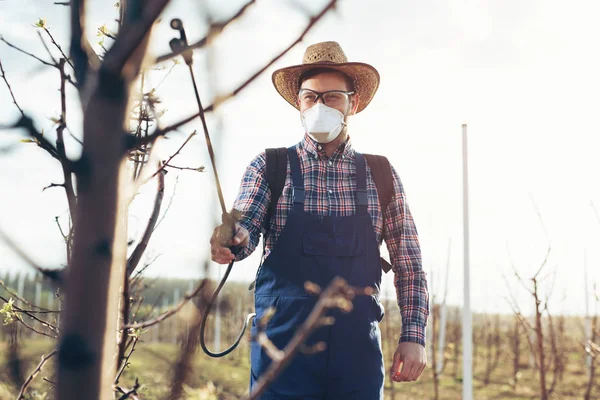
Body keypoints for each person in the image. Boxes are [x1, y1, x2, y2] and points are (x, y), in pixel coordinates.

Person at [210, 41, 429, 399]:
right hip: (281, 353)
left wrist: (414, 335)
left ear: (352, 103)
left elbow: (409, 263)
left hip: (356, 355)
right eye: (311, 97)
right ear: (299, 103)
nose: (319, 106)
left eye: (332, 97)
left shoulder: (381, 174)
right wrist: (230, 240)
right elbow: (244, 225)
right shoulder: (270, 167)